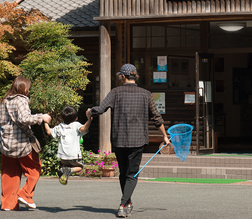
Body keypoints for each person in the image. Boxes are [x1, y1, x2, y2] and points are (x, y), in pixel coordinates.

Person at [88, 63, 170, 218]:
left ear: (123, 77)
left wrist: (89, 111)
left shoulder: (115, 92)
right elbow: (156, 118)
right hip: (138, 140)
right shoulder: (146, 94)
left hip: (119, 139)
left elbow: (100, 109)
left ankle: (127, 203)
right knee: (131, 174)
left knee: (123, 173)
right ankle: (124, 204)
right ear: (135, 76)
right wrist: (164, 136)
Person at [0, 76, 51, 211]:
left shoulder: (4, 101)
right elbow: (24, 118)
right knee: (34, 168)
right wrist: (41, 117)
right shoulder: (21, 100)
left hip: (6, 143)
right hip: (21, 143)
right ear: (24, 87)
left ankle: (9, 204)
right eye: (28, 88)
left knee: (9, 173)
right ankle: (25, 194)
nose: (29, 90)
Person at [44, 105, 93, 185]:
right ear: (76, 118)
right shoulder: (76, 125)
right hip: (74, 156)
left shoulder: (60, 126)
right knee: (80, 167)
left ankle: (64, 171)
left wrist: (45, 122)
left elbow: (49, 132)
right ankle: (68, 170)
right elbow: (84, 128)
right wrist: (89, 119)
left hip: (63, 156)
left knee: (64, 166)